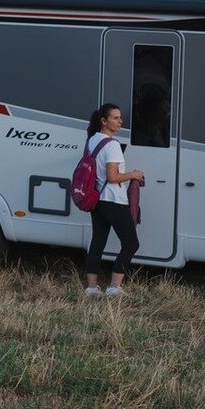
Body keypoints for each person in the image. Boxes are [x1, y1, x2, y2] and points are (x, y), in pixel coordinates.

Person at [83, 103, 145, 298]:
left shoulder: (92, 140)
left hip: (97, 200)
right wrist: (134, 174)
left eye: (120, 117)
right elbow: (112, 177)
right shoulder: (112, 145)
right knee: (131, 243)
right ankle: (114, 287)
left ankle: (92, 288)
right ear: (104, 121)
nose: (120, 121)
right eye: (115, 118)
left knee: (97, 242)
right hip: (113, 200)